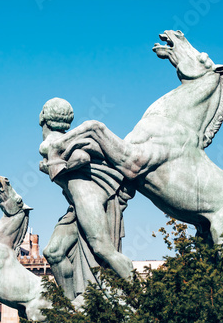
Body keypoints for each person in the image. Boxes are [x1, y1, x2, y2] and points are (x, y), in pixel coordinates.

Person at [39, 97, 135, 299]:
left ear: (43, 118)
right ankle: (70, 304)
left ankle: (137, 297)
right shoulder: (62, 139)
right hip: (75, 205)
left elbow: (82, 158)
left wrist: (55, 166)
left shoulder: (51, 143)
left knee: (103, 249)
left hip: (86, 199)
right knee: (53, 252)